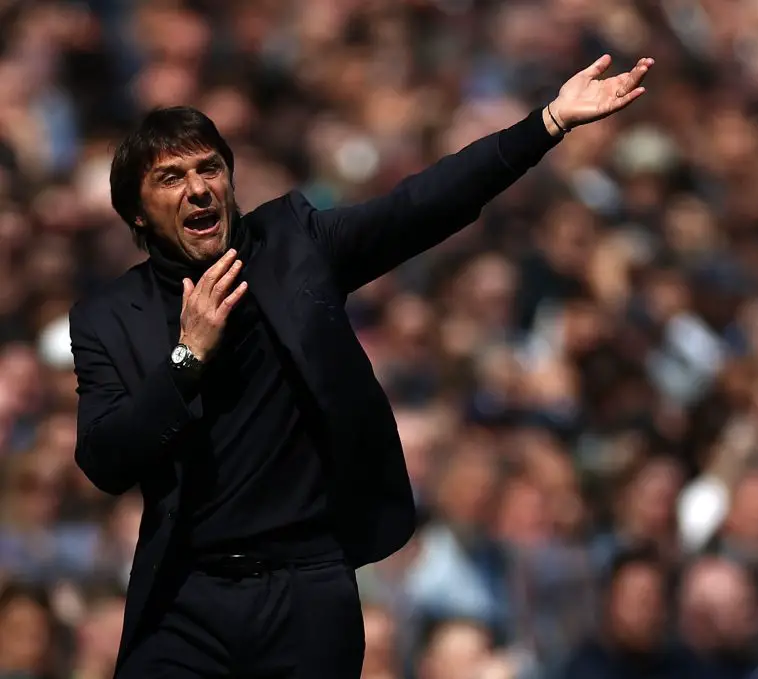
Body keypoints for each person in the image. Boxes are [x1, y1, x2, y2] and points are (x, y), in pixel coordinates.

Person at [68, 54, 653, 678]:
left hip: (307, 588)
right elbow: (105, 458)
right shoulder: (108, 317)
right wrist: (187, 359)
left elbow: (421, 205)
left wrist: (548, 122)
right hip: (188, 594)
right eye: (171, 177)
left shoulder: (292, 244)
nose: (199, 188)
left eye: (210, 167)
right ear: (135, 211)